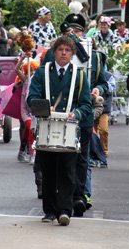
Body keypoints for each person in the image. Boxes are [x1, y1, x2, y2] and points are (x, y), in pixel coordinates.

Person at [27, 36, 92, 227]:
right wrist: (43, 108)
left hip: (69, 129)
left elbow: (86, 104)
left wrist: (76, 114)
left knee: (67, 170)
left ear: (72, 54)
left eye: (67, 50)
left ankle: (64, 210)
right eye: (60, 49)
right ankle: (49, 210)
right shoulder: (42, 73)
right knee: (48, 170)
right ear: (54, 52)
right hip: (47, 127)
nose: (64, 53)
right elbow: (32, 98)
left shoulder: (79, 76)